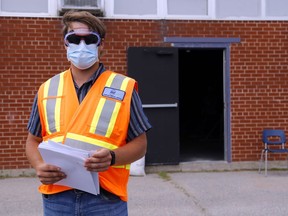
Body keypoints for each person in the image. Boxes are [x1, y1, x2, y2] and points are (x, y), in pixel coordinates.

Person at [26, 10, 151, 216]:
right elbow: (32, 140)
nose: (81, 45)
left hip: (105, 198)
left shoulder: (123, 87)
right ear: (65, 43)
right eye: (74, 38)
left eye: (89, 39)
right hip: (58, 198)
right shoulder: (47, 89)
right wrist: (39, 165)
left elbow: (141, 144)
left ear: (101, 44)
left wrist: (112, 157)